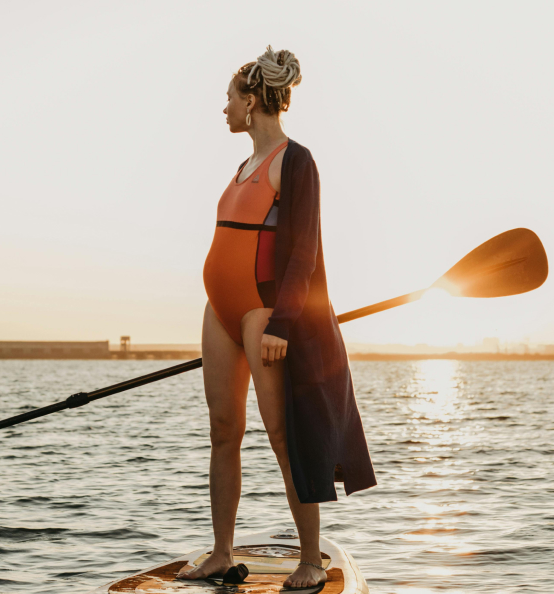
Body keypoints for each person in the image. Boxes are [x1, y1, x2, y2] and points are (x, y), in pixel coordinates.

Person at [178, 46, 377, 589]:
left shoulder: (296, 160)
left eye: (228, 99)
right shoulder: (242, 165)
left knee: (283, 436)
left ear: (251, 100)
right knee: (224, 430)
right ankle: (221, 552)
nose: (223, 109)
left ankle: (311, 560)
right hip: (219, 311)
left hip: (263, 311)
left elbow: (303, 252)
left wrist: (283, 326)